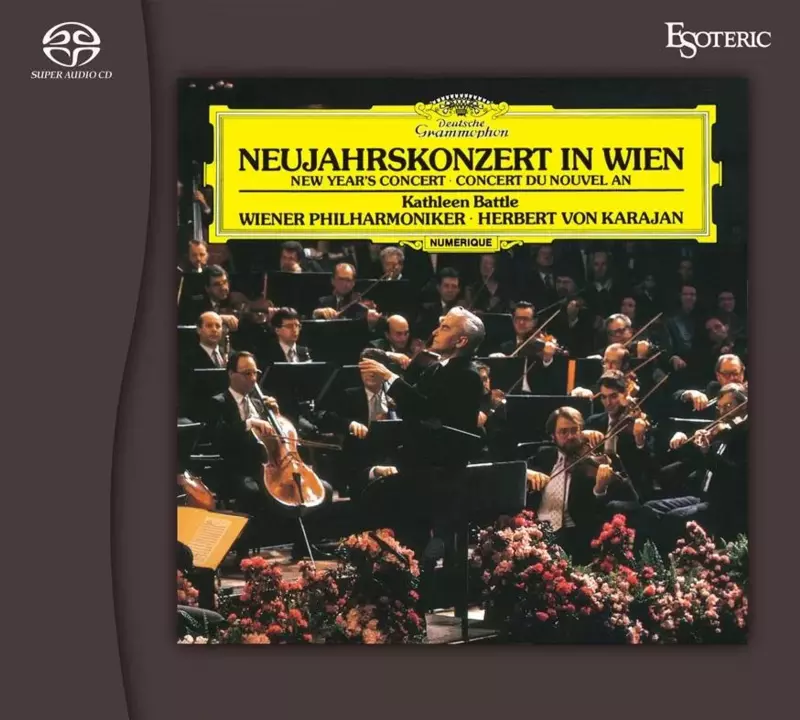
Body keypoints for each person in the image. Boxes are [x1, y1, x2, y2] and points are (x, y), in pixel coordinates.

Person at [208, 351, 333, 559]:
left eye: (255, 373)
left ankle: (304, 545)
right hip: (239, 467)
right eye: (246, 373)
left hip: (274, 465)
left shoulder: (261, 403)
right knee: (251, 491)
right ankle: (245, 555)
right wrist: (249, 423)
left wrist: (276, 414)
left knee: (324, 489)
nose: (253, 379)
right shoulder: (218, 402)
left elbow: (285, 436)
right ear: (231, 373)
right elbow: (219, 437)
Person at [524, 406, 634, 563]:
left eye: (574, 430)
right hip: (538, 530)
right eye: (563, 432)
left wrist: (599, 490)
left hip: (573, 535)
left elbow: (627, 497)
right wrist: (527, 473)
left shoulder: (594, 461)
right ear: (553, 436)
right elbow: (516, 473)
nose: (570, 436)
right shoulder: (544, 455)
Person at [646, 383, 748, 546]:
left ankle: (670, 560)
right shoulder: (723, 432)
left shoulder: (744, 435)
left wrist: (708, 452)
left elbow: (733, 474)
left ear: (744, 406)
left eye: (728, 406)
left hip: (726, 504)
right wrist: (692, 444)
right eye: (720, 407)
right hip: (704, 496)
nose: (723, 412)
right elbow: (697, 463)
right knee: (650, 508)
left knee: (674, 518)